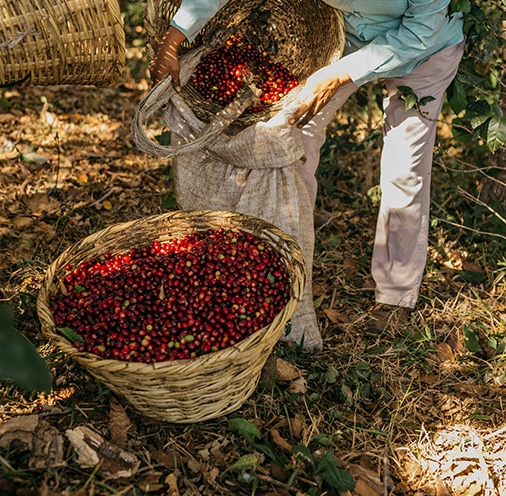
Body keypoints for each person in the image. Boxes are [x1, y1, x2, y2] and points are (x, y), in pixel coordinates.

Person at [149, 0, 465, 340]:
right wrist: (174, 39)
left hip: (426, 52)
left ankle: (396, 296)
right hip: (350, 39)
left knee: (405, 169)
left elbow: (420, 32)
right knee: (295, 140)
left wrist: (339, 74)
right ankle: (284, 268)